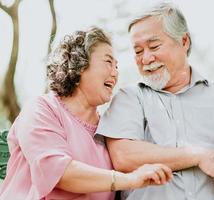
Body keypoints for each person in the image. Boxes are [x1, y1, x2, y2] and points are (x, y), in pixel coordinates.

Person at [96, 3, 214, 200]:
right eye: (138, 51)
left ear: (184, 41)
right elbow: (124, 157)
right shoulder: (128, 98)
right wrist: (198, 156)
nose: (146, 58)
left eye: (154, 46)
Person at [0, 27, 173, 200]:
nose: (115, 73)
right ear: (79, 64)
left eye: (117, 66)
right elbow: (58, 172)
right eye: (108, 62)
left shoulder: (110, 128)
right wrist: (130, 179)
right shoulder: (41, 109)